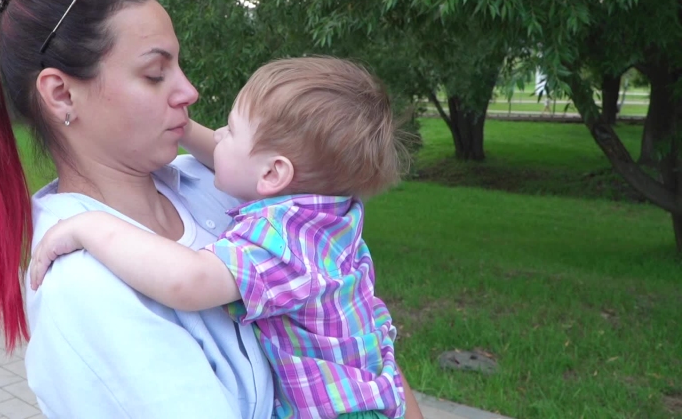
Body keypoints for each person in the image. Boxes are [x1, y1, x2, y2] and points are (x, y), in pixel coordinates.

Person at [0, 0, 278, 418]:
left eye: (179, 66)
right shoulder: (84, 291)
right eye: (156, 74)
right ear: (61, 94)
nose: (189, 91)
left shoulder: (209, 184)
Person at [30, 57, 425, 419]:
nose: (217, 135)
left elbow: (188, 281)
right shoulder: (326, 211)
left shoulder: (279, 241)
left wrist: (92, 226)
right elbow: (242, 160)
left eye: (231, 130)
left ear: (273, 175)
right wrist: (176, 127)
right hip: (372, 392)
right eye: (154, 75)